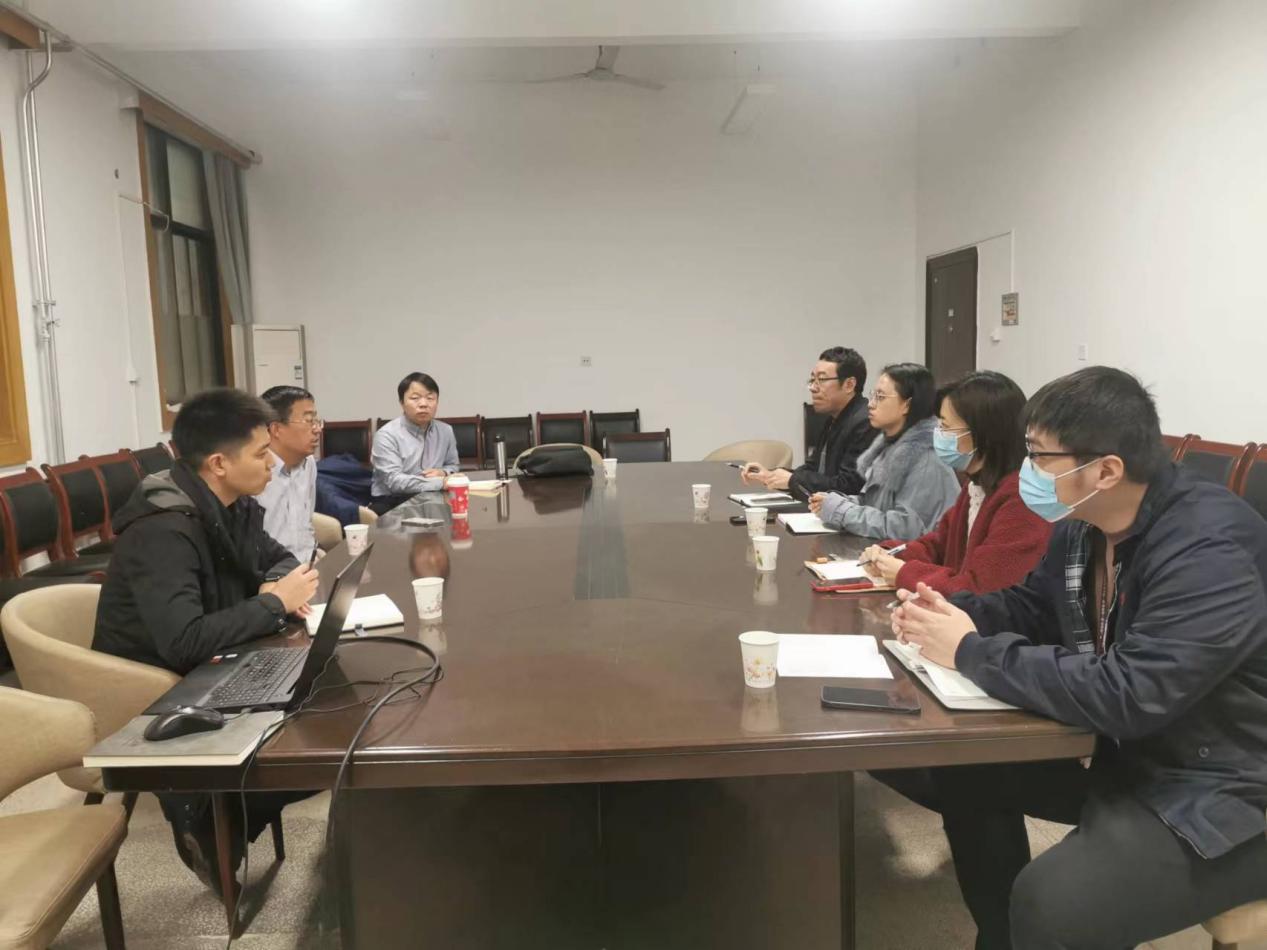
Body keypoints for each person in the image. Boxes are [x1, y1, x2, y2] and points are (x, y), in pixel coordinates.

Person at [888, 366, 1267, 950]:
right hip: (1132, 756)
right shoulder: (1083, 525)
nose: (1027, 470)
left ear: (1106, 470)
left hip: (1228, 788)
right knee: (969, 771)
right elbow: (1034, 608)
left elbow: (1130, 694)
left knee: (1053, 903)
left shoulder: (1209, 547)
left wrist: (969, 651)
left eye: (1040, 456)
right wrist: (946, 614)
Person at [94, 388, 320, 894]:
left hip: (217, 659)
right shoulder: (164, 531)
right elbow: (184, 641)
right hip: (155, 685)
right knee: (307, 749)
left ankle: (222, 817)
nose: (271, 464)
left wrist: (273, 588)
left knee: (323, 716)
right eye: (260, 454)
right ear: (219, 463)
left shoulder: (233, 506)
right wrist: (273, 604)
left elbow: (280, 558)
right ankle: (202, 809)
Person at [857, 370, 1051, 594]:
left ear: (984, 433)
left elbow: (982, 588)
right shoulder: (977, 484)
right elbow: (940, 544)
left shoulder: (1021, 499)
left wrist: (904, 573)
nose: (938, 435)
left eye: (946, 428)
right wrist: (891, 553)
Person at [809, 362, 958, 540]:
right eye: (873, 395)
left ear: (907, 405)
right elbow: (873, 505)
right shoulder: (890, 447)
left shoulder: (926, 459)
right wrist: (835, 502)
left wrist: (842, 511)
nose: (870, 404)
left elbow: (904, 529)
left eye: (880, 397)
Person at [741, 346, 875, 496]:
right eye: (812, 380)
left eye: (822, 380)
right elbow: (812, 470)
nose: (813, 388)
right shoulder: (834, 418)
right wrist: (771, 475)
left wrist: (792, 480)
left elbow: (848, 487)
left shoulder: (866, 422)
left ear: (849, 385)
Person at [371, 372, 460, 514]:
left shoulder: (446, 431)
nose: (423, 404)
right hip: (393, 501)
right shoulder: (386, 435)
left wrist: (443, 472)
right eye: (415, 398)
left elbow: (453, 466)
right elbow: (394, 481)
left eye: (430, 398)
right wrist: (440, 482)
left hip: (434, 497)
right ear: (402, 403)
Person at [256, 385, 320, 562]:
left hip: (308, 565)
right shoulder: (255, 470)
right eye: (309, 421)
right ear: (276, 429)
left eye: (317, 420)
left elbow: (306, 524)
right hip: (273, 570)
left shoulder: (309, 463)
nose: (317, 429)